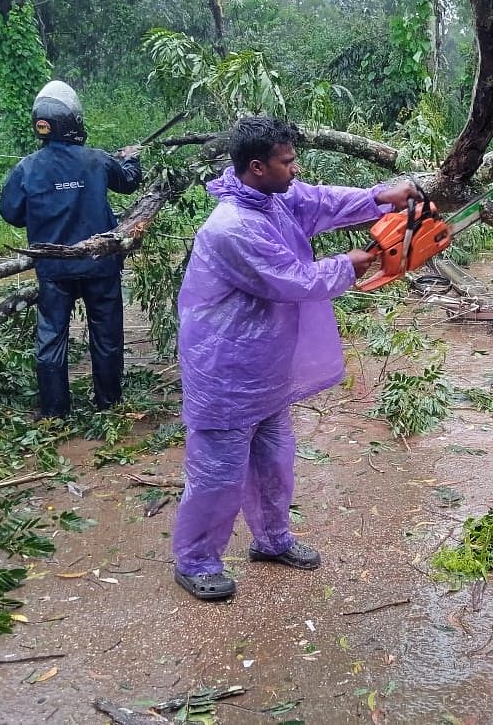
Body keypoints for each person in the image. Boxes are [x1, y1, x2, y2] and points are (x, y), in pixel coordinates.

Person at [172, 114, 419, 601]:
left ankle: (272, 539)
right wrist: (346, 265)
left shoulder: (274, 198)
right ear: (258, 167)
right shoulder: (232, 228)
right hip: (224, 370)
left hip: (266, 366)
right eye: (288, 161)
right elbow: (292, 279)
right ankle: (196, 560)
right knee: (217, 473)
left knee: (274, 460)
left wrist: (376, 198)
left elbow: (321, 201)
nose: (296, 168)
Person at [0, 80, 142, 418]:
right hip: (100, 266)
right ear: (73, 121)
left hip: (54, 271)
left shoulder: (26, 168)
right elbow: (128, 181)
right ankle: (109, 405)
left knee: (51, 339)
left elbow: (11, 213)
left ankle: (54, 413)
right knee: (106, 336)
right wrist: (132, 158)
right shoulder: (95, 159)